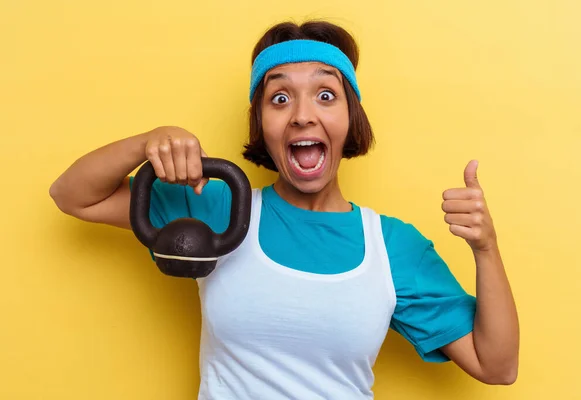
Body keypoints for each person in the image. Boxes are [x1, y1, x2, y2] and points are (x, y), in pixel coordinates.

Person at [50, 20, 519, 400]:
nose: (301, 114)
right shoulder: (219, 208)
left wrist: (486, 248)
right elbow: (73, 195)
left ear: (350, 118)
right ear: (260, 122)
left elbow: (496, 366)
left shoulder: (393, 247)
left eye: (325, 94)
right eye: (279, 98)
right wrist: (148, 141)